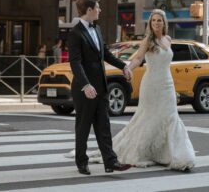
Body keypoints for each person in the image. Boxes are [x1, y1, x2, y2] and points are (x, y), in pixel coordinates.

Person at [68, 9, 196, 171]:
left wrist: (175, 88)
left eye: (159, 20)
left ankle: (173, 154)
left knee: (171, 117)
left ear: (164, 23)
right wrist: (128, 69)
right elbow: (137, 58)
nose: (156, 23)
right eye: (154, 21)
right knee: (148, 118)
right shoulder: (148, 41)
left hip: (167, 85)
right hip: (151, 84)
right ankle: (122, 155)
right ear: (150, 23)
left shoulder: (168, 39)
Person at [67, 0, 132, 176]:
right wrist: (86, 85)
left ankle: (111, 162)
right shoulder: (75, 34)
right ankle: (81, 162)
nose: (100, 10)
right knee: (83, 127)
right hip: (85, 90)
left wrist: (124, 66)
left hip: (101, 88)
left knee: (104, 127)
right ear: (89, 10)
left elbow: (106, 54)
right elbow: (75, 63)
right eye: (97, 7)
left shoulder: (97, 29)